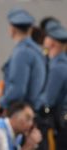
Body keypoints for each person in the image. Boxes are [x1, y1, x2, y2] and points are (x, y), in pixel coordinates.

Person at [0, 8, 46, 109]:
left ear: (12, 29)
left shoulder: (22, 52)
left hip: (22, 111)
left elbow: (17, 90)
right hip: (34, 109)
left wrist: (1, 104)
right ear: (30, 29)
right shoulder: (36, 50)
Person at [38, 20, 67, 150]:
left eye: (47, 37)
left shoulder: (58, 67)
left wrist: (32, 103)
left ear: (52, 43)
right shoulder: (57, 63)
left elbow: (49, 99)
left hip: (61, 123)